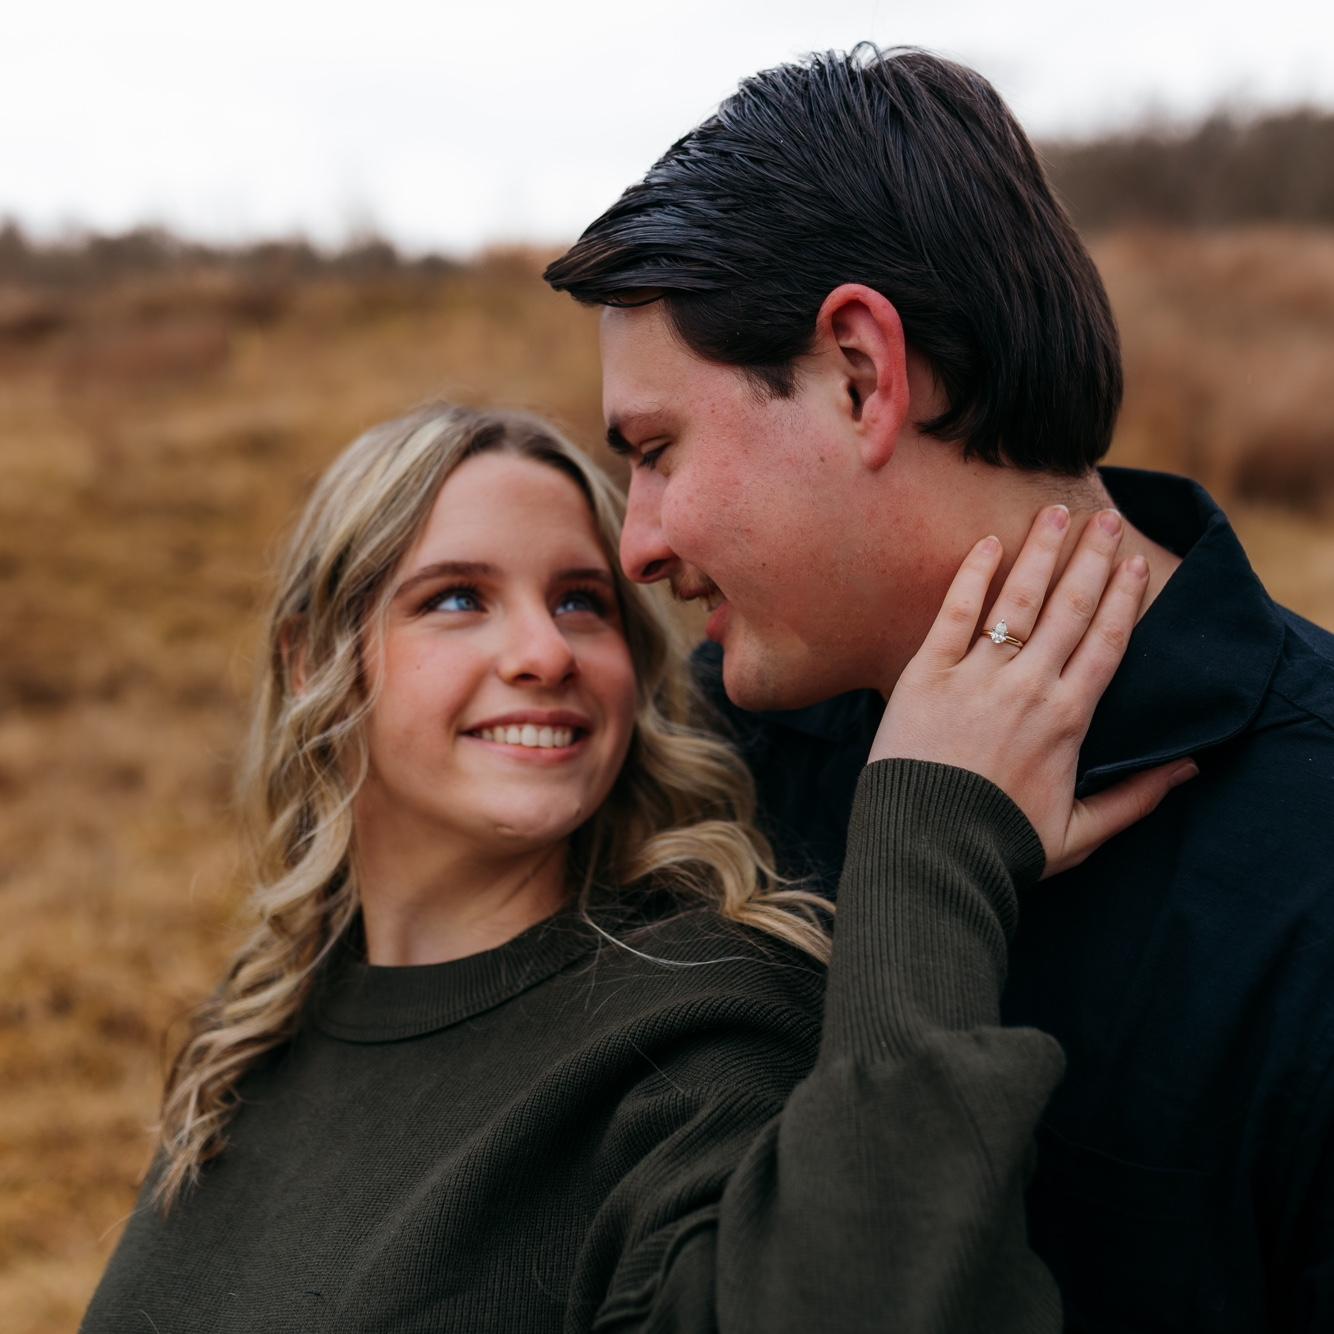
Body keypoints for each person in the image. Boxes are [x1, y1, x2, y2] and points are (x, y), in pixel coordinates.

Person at [82, 402, 1184, 1331]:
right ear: (311, 657)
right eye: (457, 598)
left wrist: (932, 846)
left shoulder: (697, 1024)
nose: (545, 652)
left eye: (583, 601)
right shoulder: (262, 1021)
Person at [543, 43, 1334, 1332]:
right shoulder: (715, 757)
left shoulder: (1309, 853)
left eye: (658, 449)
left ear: (861, 373)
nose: (636, 544)